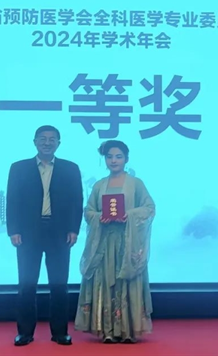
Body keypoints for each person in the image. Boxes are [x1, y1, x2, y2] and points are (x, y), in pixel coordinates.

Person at [6, 125, 83, 346]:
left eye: (52, 139)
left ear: (58, 143)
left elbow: (77, 201)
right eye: (42, 138)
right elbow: (12, 200)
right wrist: (13, 230)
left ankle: (59, 332)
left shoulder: (70, 168)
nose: (47, 143)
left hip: (59, 233)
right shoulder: (19, 168)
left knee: (59, 285)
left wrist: (73, 229)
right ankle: (25, 333)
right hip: (28, 233)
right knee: (27, 284)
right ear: (35, 142)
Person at [75, 140, 155, 343]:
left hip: (128, 242)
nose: (113, 160)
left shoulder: (136, 184)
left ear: (126, 159)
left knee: (127, 280)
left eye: (118, 156)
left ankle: (128, 331)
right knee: (105, 282)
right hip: (104, 243)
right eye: (109, 156)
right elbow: (88, 211)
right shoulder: (99, 185)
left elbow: (149, 208)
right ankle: (107, 331)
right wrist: (99, 217)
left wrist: (129, 215)